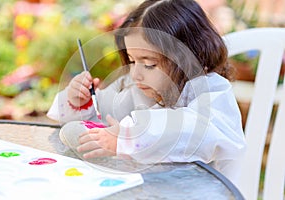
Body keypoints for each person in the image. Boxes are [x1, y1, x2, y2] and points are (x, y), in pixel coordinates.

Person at [47, 0, 246, 185]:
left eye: (149, 64)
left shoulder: (211, 91)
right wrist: (79, 100)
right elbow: (99, 118)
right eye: (132, 60)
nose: (136, 74)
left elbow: (199, 131)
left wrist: (131, 136)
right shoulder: (134, 86)